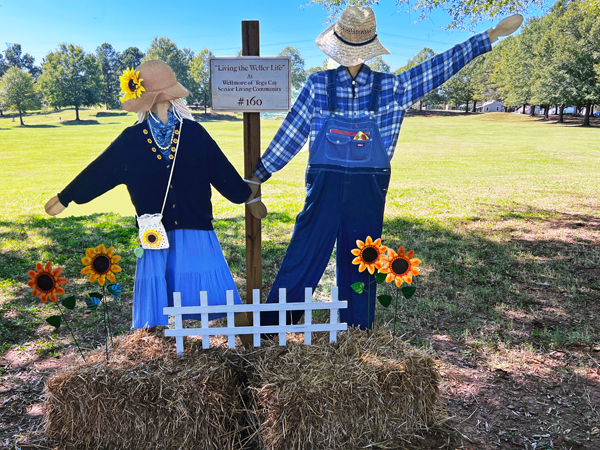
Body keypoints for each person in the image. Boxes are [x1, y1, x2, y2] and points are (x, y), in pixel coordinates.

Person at [248, 6, 522, 329]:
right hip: (350, 191)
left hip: (347, 189)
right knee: (333, 256)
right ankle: (309, 330)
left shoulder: (350, 87)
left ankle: (308, 334)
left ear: (336, 48)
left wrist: (259, 175)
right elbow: (291, 135)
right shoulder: (361, 87)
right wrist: (258, 174)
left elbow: (439, 67)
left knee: (333, 257)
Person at [45, 60, 265, 342]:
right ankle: (146, 350)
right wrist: (67, 197)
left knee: (219, 294)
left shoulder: (194, 134)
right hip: (154, 235)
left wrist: (247, 198)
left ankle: (247, 342)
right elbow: (99, 171)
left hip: (196, 227)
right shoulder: (131, 140)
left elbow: (222, 171)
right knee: (155, 303)